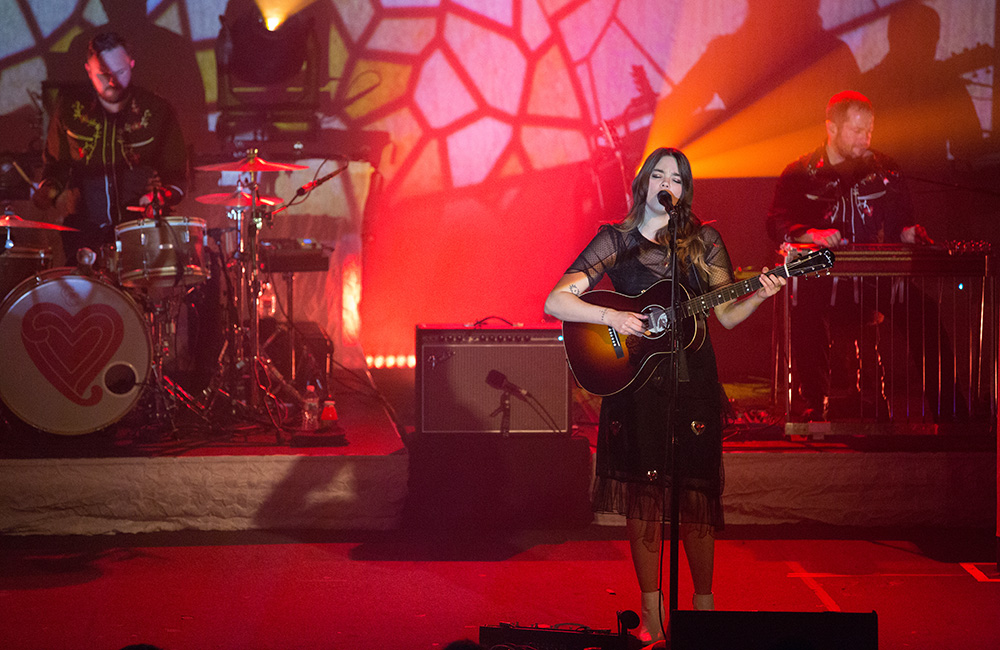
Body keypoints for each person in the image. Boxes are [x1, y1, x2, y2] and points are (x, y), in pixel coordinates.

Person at [545, 148, 784, 643]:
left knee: (695, 494)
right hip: (634, 384)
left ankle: (703, 609)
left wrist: (759, 294)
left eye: (676, 177)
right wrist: (612, 317)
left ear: (684, 190)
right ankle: (650, 613)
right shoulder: (616, 240)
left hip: (692, 383)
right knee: (645, 499)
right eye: (658, 174)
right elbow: (556, 301)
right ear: (644, 184)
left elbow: (726, 315)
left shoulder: (703, 241)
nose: (666, 182)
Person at [766, 90, 946, 421]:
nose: (865, 138)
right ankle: (812, 403)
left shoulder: (886, 169)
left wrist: (909, 232)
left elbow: (903, 219)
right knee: (805, 305)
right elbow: (776, 221)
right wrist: (812, 234)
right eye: (857, 130)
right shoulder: (800, 171)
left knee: (925, 313)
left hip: (875, 279)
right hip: (821, 279)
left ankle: (948, 409)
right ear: (831, 128)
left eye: (869, 130)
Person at [34, 31, 188, 264]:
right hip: (82, 235)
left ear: (132, 64)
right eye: (103, 75)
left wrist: (158, 197)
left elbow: (177, 177)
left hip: (140, 233)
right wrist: (49, 191)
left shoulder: (157, 111)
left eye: (120, 72)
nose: (113, 82)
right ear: (88, 70)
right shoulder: (69, 109)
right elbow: (56, 166)